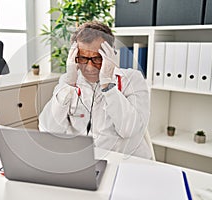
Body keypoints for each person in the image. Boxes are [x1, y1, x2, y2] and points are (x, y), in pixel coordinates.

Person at [39, 21, 152, 159]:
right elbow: (48, 129)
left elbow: (130, 130)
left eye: (97, 58)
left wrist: (108, 86)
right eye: (83, 58)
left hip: (126, 163)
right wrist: (69, 85)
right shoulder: (68, 82)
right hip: (84, 163)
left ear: (111, 54)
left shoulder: (133, 79)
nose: (90, 67)